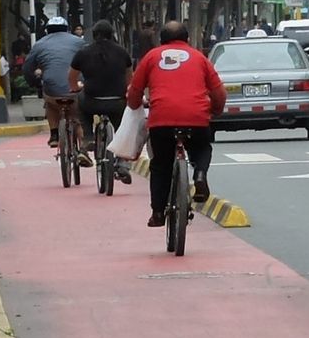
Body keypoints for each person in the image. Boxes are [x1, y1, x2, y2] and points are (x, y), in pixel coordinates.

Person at [126, 21, 226, 228]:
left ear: (161, 39)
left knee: (161, 165)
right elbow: (218, 92)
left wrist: (135, 104)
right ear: (187, 39)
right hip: (196, 118)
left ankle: (157, 213)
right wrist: (215, 110)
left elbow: (134, 90)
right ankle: (200, 174)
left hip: (161, 120)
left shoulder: (151, 57)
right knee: (201, 147)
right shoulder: (199, 57)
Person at [68, 19, 135, 184]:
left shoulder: (83, 53)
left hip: (92, 100)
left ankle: (88, 140)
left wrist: (75, 88)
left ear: (94, 35)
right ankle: (122, 162)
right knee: (122, 127)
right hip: (117, 102)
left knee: (81, 107)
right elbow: (130, 80)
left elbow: (72, 78)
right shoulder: (122, 52)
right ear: (111, 35)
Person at [22, 16, 87, 152]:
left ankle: (54, 135)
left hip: (52, 90)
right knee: (78, 117)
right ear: (67, 29)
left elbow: (27, 68)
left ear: (47, 30)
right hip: (76, 88)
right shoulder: (79, 42)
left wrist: (35, 84)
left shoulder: (39, 44)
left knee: (50, 105)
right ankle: (83, 149)